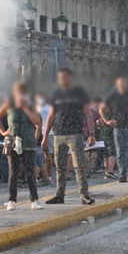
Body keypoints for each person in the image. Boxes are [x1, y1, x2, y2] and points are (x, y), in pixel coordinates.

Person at [43, 68, 95, 204]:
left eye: (65, 77)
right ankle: (59, 195)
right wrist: (45, 137)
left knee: (78, 166)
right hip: (59, 134)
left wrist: (91, 133)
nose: (62, 80)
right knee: (59, 167)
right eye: (60, 77)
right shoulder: (56, 94)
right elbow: (51, 115)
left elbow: (88, 113)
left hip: (75, 133)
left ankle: (84, 194)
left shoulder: (79, 93)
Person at [0, 81, 42, 210]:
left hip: (28, 142)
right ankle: (12, 200)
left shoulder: (31, 105)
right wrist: (3, 132)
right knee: (13, 172)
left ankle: (34, 199)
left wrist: (25, 107)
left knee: (29, 172)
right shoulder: (9, 105)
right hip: (13, 142)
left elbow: (37, 121)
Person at [100, 77, 128, 183]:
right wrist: (107, 121)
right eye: (121, 82)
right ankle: (122, 175)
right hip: (118, 127)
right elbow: (101, 109)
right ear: (117, 85)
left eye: (125, 82)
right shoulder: (113, 96)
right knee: (120, 152)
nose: (123, 84)